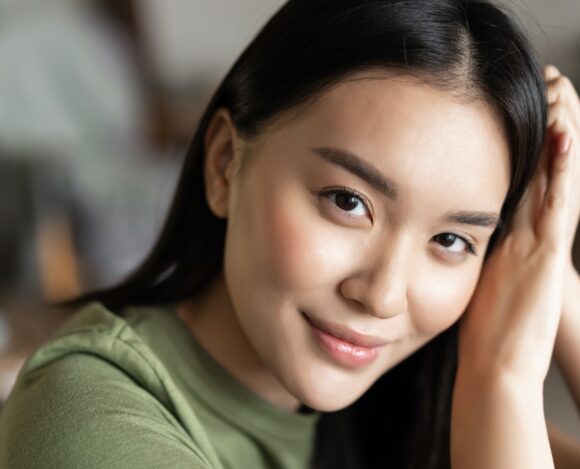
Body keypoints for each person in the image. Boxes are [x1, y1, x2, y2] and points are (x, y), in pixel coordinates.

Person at [1, 0, 579, 467]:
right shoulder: (87, 416)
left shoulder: (405, 410)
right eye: (348, 201)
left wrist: (556, 271)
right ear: (226, 163)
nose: (381, 296)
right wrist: (502, 378)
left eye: (453, 240)